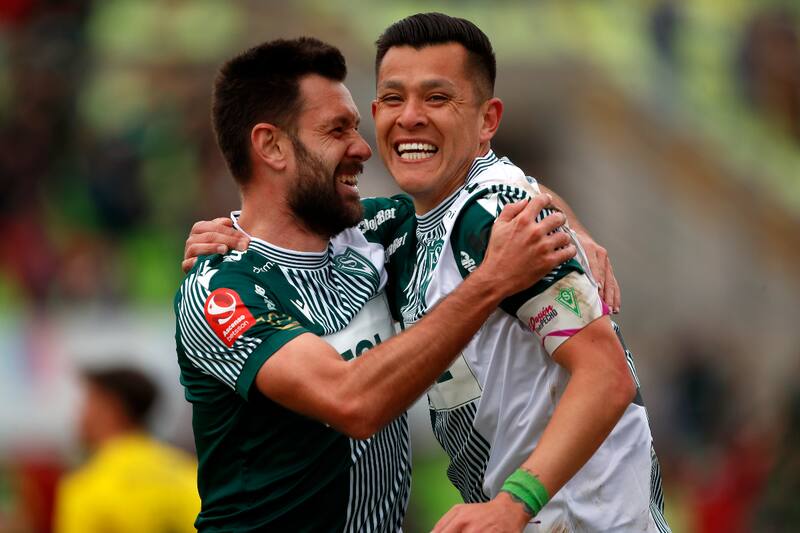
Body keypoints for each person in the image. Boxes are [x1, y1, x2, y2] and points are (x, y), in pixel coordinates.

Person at [174, 37, 576, 531]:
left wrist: (575, 229)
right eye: (337, 130)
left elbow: (489, 194)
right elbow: (353, 402)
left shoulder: (373, 233)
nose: (363, 148)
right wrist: (491, 282)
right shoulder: (218, 288)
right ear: (271, 145)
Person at [369, 13, 670, 532]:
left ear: (488, 120)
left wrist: (514, 503)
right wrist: (235, 231)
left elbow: (606, 374)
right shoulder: (411, 227)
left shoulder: (498, 217)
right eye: (394, 99)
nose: (410, 117)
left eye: (437, 99)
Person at [54, 366, 200, 533]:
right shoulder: (193, 475)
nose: (78, 415)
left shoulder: (86, 484)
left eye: (87, 402)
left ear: (109, 409)